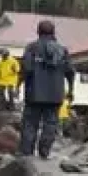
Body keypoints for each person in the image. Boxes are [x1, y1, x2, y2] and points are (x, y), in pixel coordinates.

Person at [17, 20, 74, 160]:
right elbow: (70, 72)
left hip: (34, 94)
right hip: (55, 96)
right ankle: (44, 152)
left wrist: (18, 85)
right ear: (53, 32)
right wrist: (71, 90)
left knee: (30, 124)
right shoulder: (62, 50)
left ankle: (27, 155)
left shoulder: (31, 48)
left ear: (38, 32)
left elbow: (26, 69)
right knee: (51, 124)